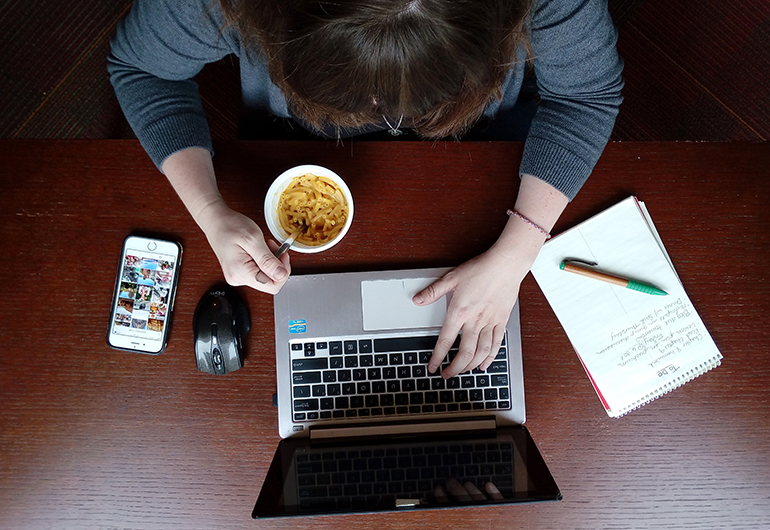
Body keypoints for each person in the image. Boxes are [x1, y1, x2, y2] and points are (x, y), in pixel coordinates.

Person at [108, 0, 623, 378]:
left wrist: (518, 253)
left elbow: (586, 97)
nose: (390, 120)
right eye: (365, 100)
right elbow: (141, 68)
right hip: (287, 141)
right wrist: (207, 208)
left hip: (489, 139)